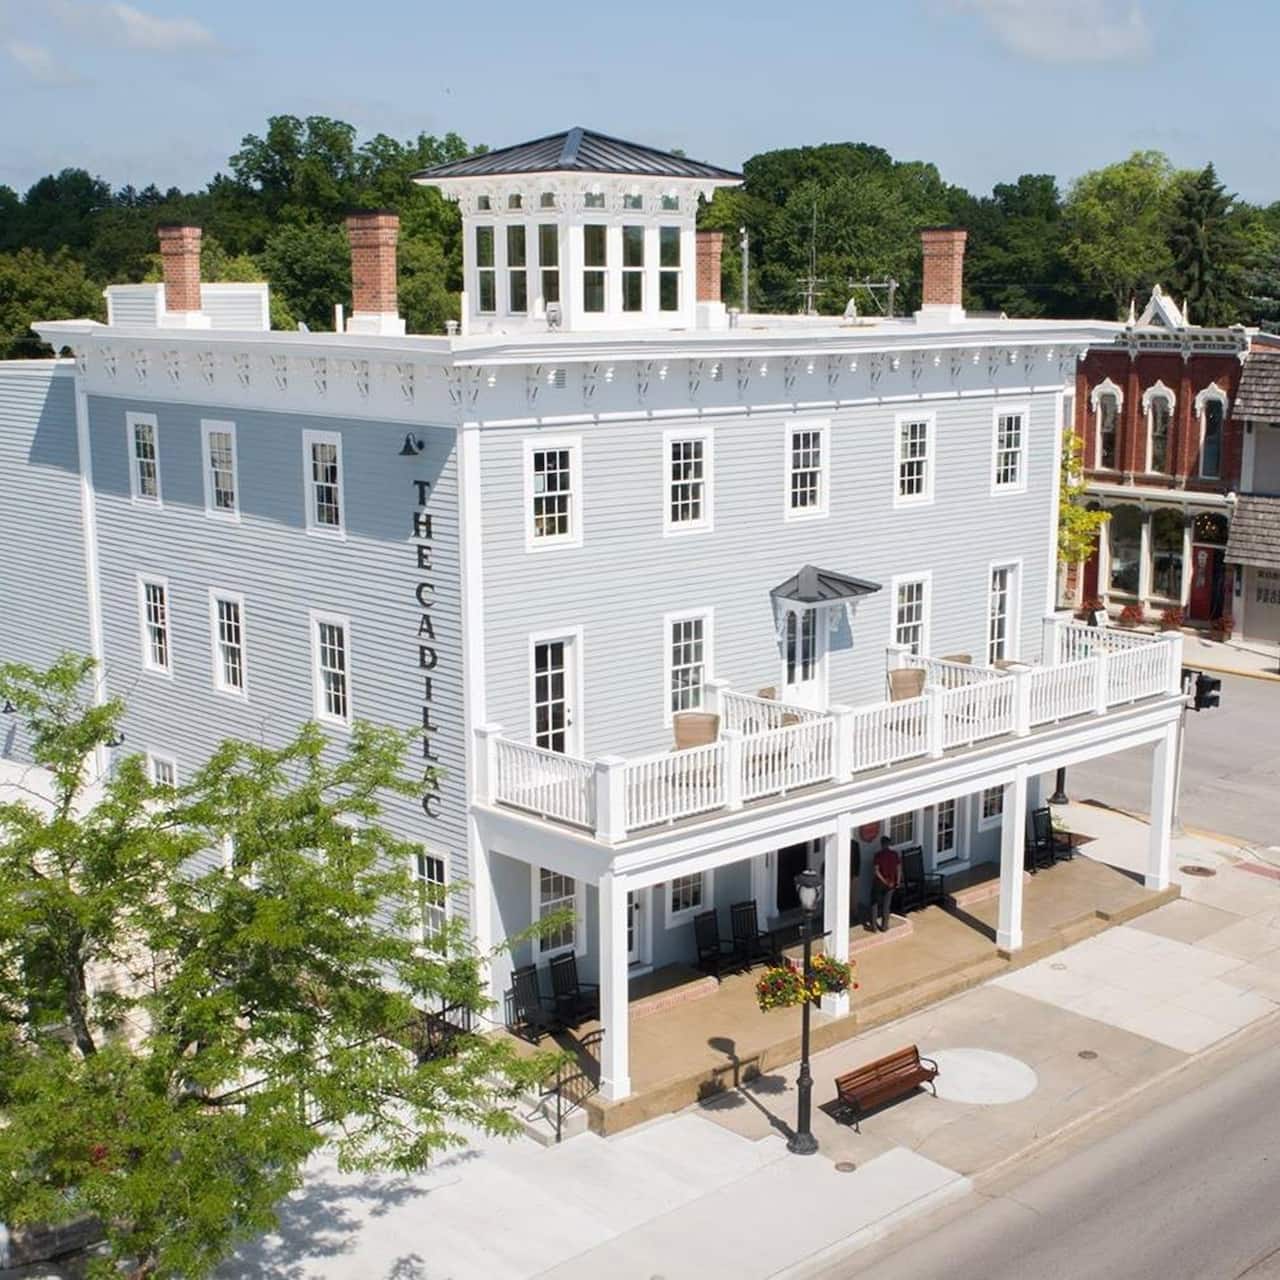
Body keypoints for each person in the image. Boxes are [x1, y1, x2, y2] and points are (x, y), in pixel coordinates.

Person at [872, 836, 901, 932]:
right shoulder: (894, 854)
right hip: (891, 882)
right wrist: (898, 881)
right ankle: (884, 926)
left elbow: (876, 871)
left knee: (874, 902)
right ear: (888, 844)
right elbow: (898, 868)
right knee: (886, 904)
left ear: (881, 844)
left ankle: (874, 926)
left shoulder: (878, 855)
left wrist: (883, 881)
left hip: (879, 883)